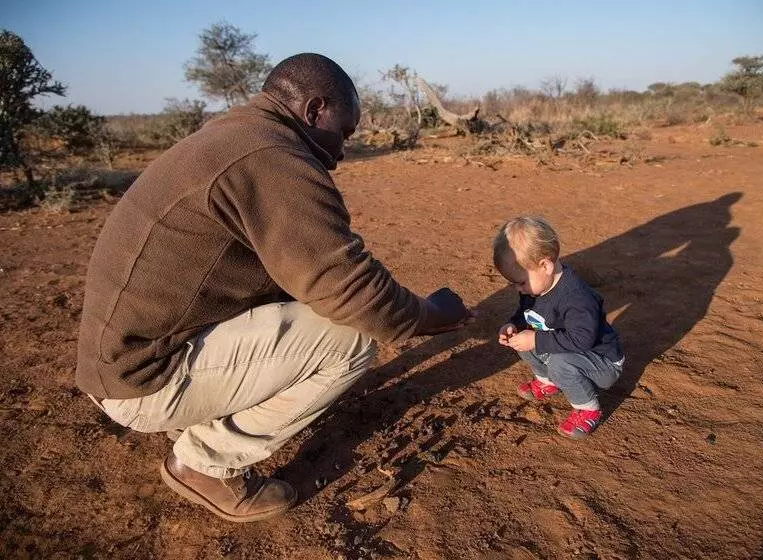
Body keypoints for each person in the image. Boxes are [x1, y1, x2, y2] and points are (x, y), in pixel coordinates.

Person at [74, 53, 471, 523]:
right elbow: (351, 290)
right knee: (352, 340)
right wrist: (428, 314)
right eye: (343, 133)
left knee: (312, 305)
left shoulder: (240, 136)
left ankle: (206, 411)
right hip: (142, 380)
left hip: (126, 357)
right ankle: (204, 463)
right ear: (314, 110)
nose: (341, 153)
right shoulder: (271, 157)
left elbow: (307, 273)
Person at [493, 216, 624, 439]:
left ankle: (588, 409)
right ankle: (547, 381)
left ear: (545, 265)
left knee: (559, 362)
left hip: (602, 362)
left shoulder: (576, 297)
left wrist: (535, 339)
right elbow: (527, 315)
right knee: (523, 341)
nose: (518, 289)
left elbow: (582, 340)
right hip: (570, 349)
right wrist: (513, 324)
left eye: (521, 282)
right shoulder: (535, 289)